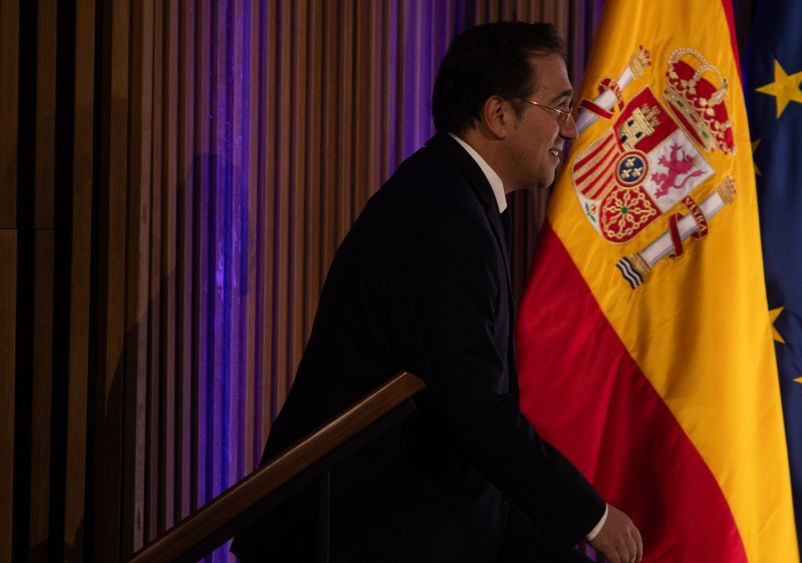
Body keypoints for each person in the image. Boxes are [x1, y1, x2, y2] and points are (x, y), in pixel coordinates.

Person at [231, 22, 643, 563]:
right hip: (365, 530)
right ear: (499, 115)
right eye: (559, 108)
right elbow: (472, 407)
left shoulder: (455, 195)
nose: (569, 131)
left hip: (426, 517)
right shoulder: (447, 217)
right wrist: (590, 516)